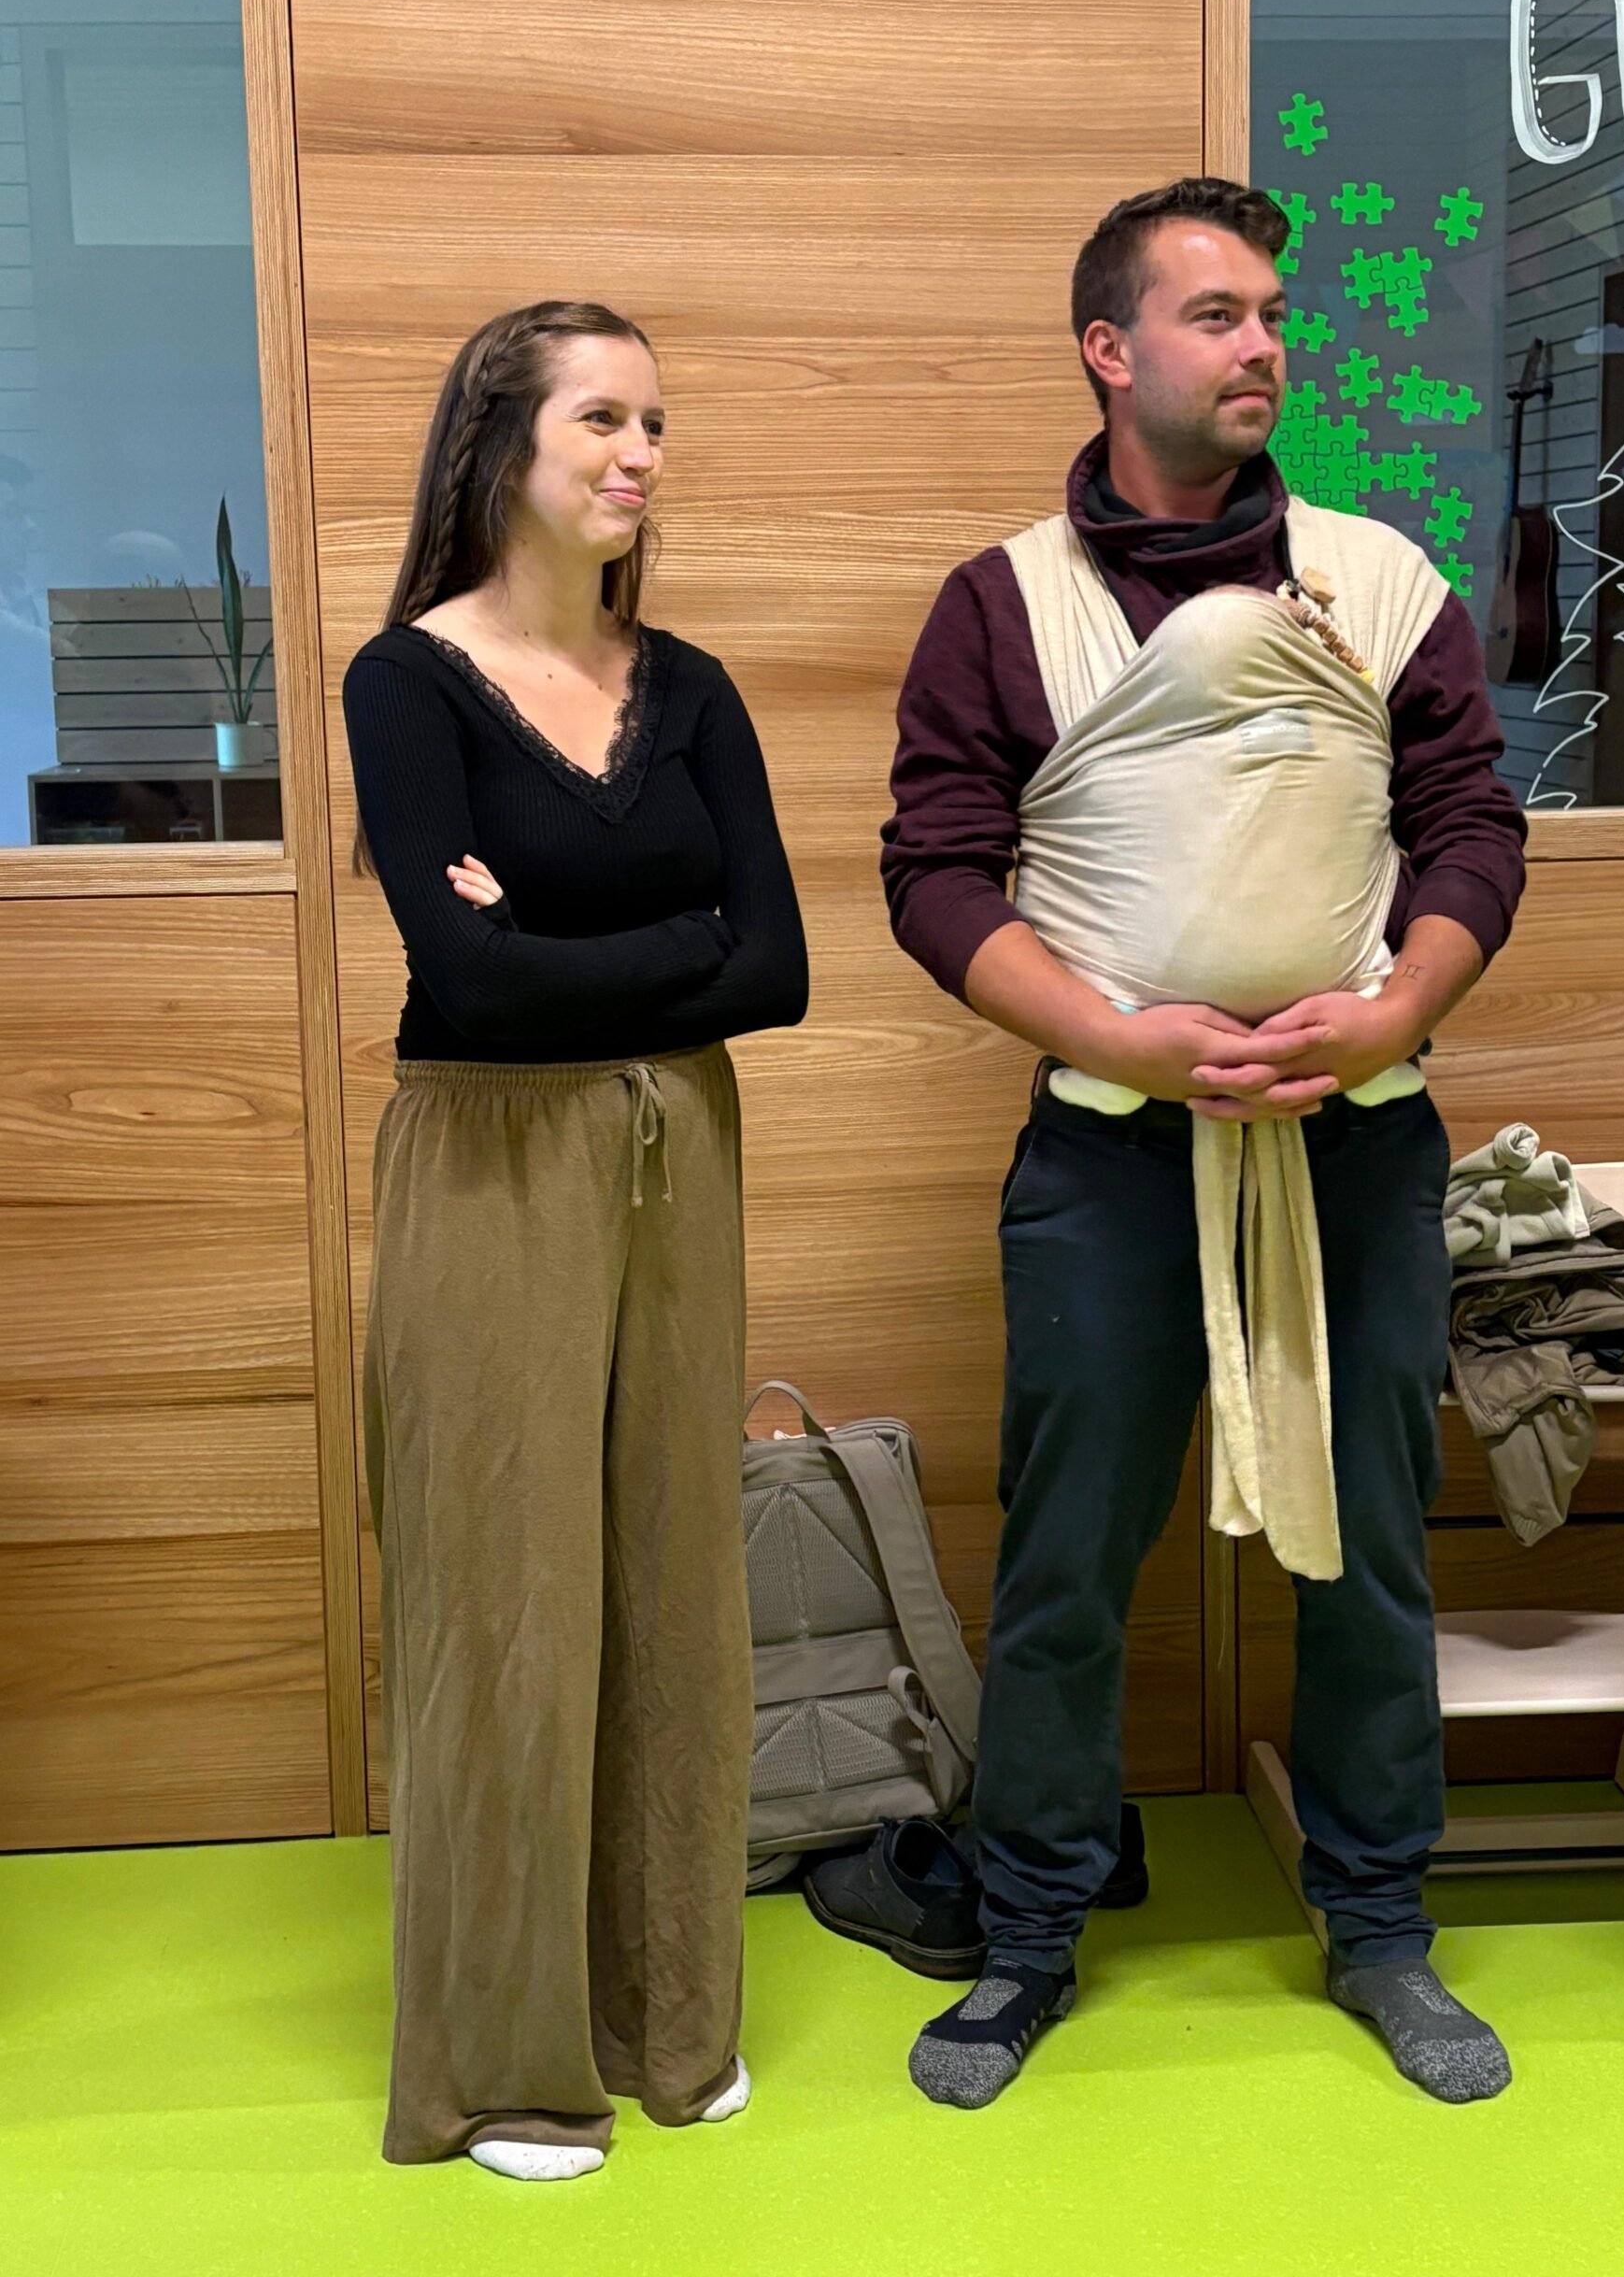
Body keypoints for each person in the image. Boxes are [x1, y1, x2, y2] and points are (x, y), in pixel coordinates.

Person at [881, 177, 1527, 2110]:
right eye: (1217, 314)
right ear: (1110, 347)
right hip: (1109, 1151)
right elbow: (935, 869)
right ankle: (1027, 1933)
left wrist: (1398, 1009)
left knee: (1376, 1544)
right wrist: (1118, 1040)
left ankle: (1381, 1924)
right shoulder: (1006, 604)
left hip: (1362, 1137)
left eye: (1273, 316)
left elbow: (1469, 826)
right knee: (1070, 1552)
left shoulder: (1376, 583)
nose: (1263, 348)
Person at [343, 300, 808, 2177]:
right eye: (603, 418)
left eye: (656, 421)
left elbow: (776, 968)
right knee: (507, 1596)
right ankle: (509, 2066)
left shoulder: (688, 688)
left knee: (674, 1581)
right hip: (487, 1159)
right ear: (499, 446)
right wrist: (658, 945)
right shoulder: (407, 684)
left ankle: (665, 2014)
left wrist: (549, 938)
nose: (641, 454)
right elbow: (467, 985)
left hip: (679, 1149)